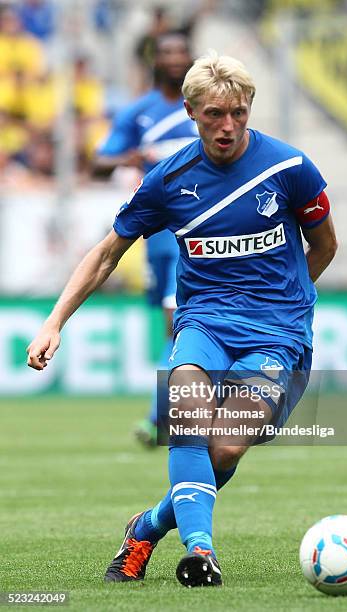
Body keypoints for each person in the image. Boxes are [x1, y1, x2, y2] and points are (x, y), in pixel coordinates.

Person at [27, 51, 337, 587]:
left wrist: (287, 303)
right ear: (191, 111)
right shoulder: (168, 180)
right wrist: (54, 321)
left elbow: (326, 245)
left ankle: (146, 527)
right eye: (215, 113)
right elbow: (106, 253)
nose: (228, 126)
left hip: (279, 335)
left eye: (239, 112)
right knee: (188, 411)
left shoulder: (291, 168)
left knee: (224, 447)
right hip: (204, 324)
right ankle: (201, 551)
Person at [95, 32, 198, 446]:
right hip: (158, 237)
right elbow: (99, 163)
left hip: (199, 235)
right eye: (167, 52)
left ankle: (159, 418)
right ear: (155, 59)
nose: (175, 58)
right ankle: (170, 415)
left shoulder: (206, 108)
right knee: (173, 329)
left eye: (181, 51)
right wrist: (131, 158)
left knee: (180, 327)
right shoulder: (139, 113)